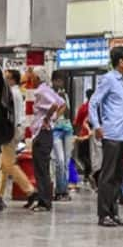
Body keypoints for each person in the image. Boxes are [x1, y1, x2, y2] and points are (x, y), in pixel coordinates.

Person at [88, 46, 123, 228]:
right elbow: (93, 103)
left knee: (117, 176)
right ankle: (103, 214)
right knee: (107, 176)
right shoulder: (109, 79)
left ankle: (114, 212)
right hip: (112, 133)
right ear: (120, 61)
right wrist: (97, 125)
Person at [0, 68, 37, 201]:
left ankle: (29, 189)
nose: (5, 79)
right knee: (4, 164)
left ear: (13, 80)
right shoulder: (16, 92)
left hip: (11, 131)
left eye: (7, 77)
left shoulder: (11, 93)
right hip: (16, 129)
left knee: (8, 164)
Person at [27, 68, 64, 212]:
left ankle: (44, 201)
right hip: (45, 133)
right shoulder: (48, 90)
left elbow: (54, 105)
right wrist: (54, 118)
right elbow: (61, 104)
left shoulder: (41, 92)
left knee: (41, 169)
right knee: (43, 168)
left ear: (37, 78)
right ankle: (44, 199)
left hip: (42, 133)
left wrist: (48, 119)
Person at [51, 71, 73, 202]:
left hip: (67, 129)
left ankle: (63, 191)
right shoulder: (49, 94)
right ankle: (59, 190)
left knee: (66, 161)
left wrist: (63, 99)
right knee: (59, 161)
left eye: (62, 81)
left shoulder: (64, 94)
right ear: (53, 81)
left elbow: (68, 112)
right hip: (56, 130)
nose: (60, 84)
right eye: (58, 81)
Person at [73, 88, 94, 187]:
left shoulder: (84, 107)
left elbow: (77, 121)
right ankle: (88, 173)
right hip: (94, 135)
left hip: (84, 134)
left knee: (82, 155)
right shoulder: (96, 107)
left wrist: (76, 133)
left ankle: (88, 172)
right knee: (88, 155)